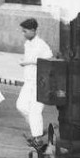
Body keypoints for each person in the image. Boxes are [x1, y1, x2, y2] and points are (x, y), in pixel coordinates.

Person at [17, 18, 53, 149]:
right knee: (21, 106)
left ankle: (37, 138)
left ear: (33, 30)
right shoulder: (28, 43)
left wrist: (30, 62)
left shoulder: (41, 44)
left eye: (25, 31)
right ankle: (37, 130)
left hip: (40, 82)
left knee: (35, 110)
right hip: (28, 81)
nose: (23, 34)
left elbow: (49, 58)